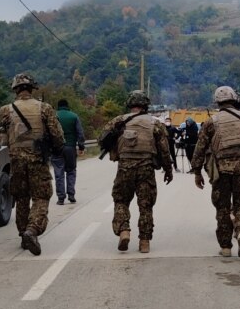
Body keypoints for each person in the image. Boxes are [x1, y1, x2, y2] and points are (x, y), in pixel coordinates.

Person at [0, 73, 65, 256]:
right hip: (37, 160)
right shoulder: (45, 108)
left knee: (21, 198)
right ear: (31, 89)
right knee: (41, 197)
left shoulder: (5, 110)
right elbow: (57, 136)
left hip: (16, 161)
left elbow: (2, 138)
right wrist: (56, 148)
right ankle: (32, 230)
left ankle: (23, 235)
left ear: (15, 89)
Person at [192, 86, 240, 258]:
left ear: (217, 102)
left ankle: (225, 247)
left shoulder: (211, 122)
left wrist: (197, 171)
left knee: (222, 208)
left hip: (220, 172)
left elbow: (199, 148)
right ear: (234, 99)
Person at [102, 90, 173, 253]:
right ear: (145, 105)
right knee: (146, 205)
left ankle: (124, 231)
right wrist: (168, 170)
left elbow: (103, 139)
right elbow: (164, 149)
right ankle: (144, 242)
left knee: (120, 200)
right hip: (146, 168)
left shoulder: (119, 121)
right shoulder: (155, 123)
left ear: (130, 104)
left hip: (125, 167)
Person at [52, 99, 86, 205]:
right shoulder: (74, 116)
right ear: (67, 106)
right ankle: (71, 195)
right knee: (71, 171)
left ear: (58, 106)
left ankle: (61, 198)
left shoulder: (54, 117)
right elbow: (80, 133)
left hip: (56, 148)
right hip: (70, 147)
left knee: (59, 173)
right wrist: (81, 147)